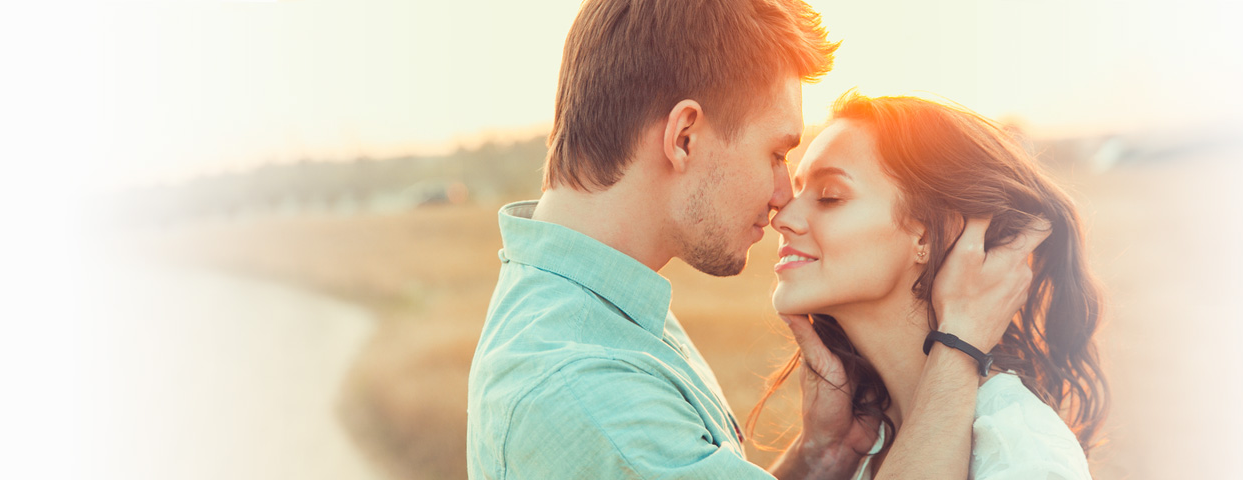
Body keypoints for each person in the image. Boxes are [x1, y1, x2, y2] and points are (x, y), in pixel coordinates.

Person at [466, 0, 1046, 478]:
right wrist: (959, 346)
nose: (780, 200)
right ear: (685, 136)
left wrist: (818, 460)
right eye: (776, 154)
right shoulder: (588, 395)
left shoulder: (601, 314)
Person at [750, 92, 1109, 479]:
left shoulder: (1021, 451)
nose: (782, 216)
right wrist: (820, 455)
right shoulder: (861, 446)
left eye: (829, 197)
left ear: (926, 237)